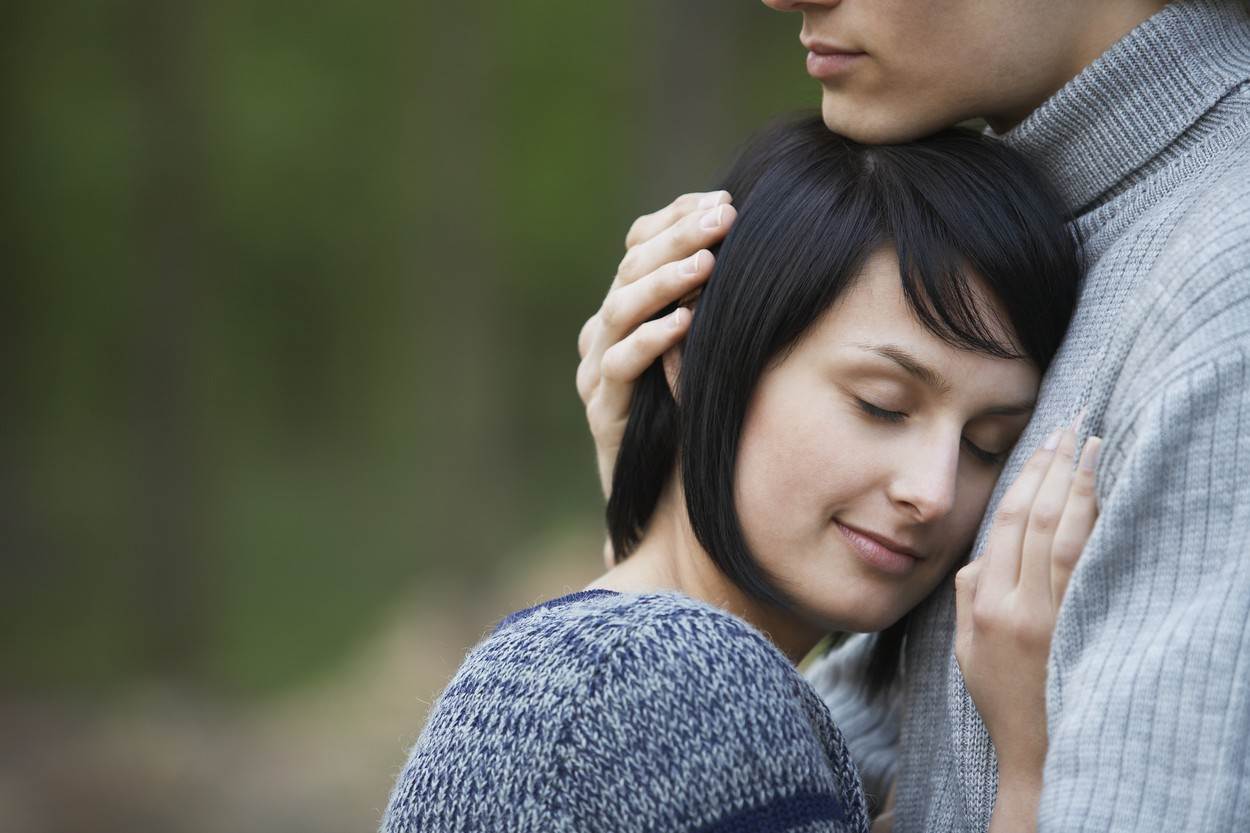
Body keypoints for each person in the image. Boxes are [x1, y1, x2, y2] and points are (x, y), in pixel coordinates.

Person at [576, 1, 1250, 831]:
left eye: (990, 446)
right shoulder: (1059, 227)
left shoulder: (1222, 298)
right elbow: (797, 763)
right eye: (880, 404)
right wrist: (666, 534)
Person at [382, 118, 1097, 832]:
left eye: (988, 445)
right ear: (696, 357)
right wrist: (1028, 768)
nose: (933, 492)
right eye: (880, 405)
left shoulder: (601, 664)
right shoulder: (680, 678)